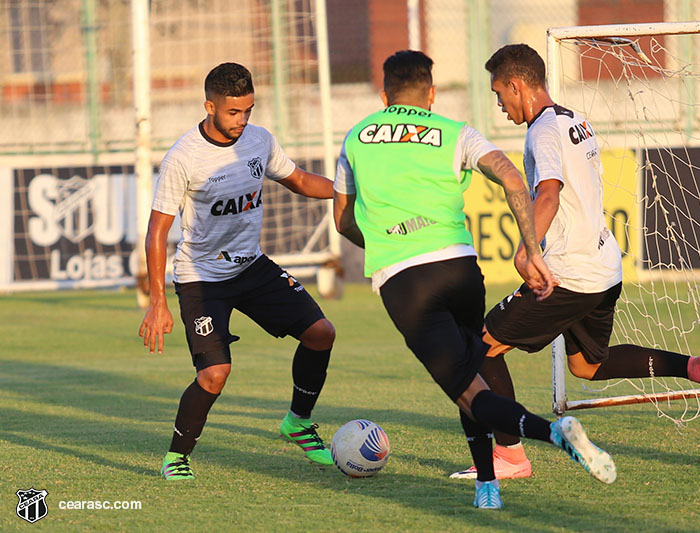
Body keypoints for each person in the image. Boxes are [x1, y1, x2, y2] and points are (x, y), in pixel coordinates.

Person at [450, 44, 700, 481]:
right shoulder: (575, 121)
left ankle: (510, 457)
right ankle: (696, 367)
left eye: (500, 93)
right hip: (604, 267)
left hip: (571, 274)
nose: (499, 103)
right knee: (586, 365)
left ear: (517, 85)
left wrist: (528, 249)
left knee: (479, 346)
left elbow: (549, 193)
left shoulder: (542, 131)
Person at [333, 50, 617, 510]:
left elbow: (343, 221)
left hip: (407, 281)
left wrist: (387, 242)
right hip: (461, 268)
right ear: (430, 94)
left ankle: (552, 433)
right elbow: (512, 180)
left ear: (384, 95)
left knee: (466, 387)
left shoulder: (355, 138)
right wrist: (531, 247)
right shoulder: (454, 131)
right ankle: (488, 483)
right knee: (472, 367)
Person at [138, 62, 337, 480]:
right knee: (214, 375)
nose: (242, 120)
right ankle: (176, 457)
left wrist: (348, 192)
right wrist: (158, 300)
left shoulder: (259, 140)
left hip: (252, 267)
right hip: (201, 279)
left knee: (321, 333)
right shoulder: (183, 157)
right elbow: (158, 231)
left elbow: (298, 179)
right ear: (209, 106)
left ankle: (298, 423)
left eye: (248, 110)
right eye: (233, 112)